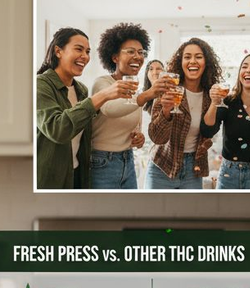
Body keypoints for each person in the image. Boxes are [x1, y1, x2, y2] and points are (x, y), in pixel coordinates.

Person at [36, 28, 134, 189]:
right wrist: (103, 95)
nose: (85, 56)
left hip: (78, 174)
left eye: (88, 51)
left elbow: (88, 130)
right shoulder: (41, 85)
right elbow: (58, 130)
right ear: (58, 51)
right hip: (50, 179)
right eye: (79, 49)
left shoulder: (81, 89)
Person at [89, 24, 173, 189]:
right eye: (131, 51)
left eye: (141, 53)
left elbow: (132, 124)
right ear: (115, 57)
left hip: (128, 160)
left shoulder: (135, 90)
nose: (138, 57)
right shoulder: (102, 83)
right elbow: (111, 109)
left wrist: (138, 138)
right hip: (101, 162)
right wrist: (148, 94)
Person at [145, 38, 221, 189]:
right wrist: (166, 110)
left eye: (198, 57)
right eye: (187, 57)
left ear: (206, 63)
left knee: (191, 213)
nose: (193, 61)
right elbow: (156, 137)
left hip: (193, 169)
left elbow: (210, 132)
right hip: (162, 167)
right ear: (180, 62)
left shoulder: (210, 95)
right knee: (154, 213)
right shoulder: (167, 89)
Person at [201, 53, 250, 190]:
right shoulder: (228, 102)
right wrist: (214, 103)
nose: (248, 70)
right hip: (228, 174)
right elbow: (207, 131)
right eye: (244, 66)